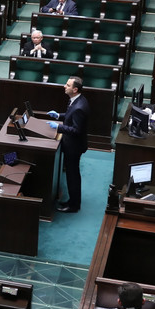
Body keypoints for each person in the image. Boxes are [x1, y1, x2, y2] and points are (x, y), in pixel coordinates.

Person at [47, 76, 89, 213]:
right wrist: (59, 116)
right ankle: (73, 201)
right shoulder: (77, 100)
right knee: (72, 174)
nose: (64, 86)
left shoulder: (79, 107)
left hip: (74, 147)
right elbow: (70, 116)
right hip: (73, 145)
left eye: (68, 85)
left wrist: (58, 127)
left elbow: (76, 130)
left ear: (75, 89)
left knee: (73, 176)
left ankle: (74, 205)